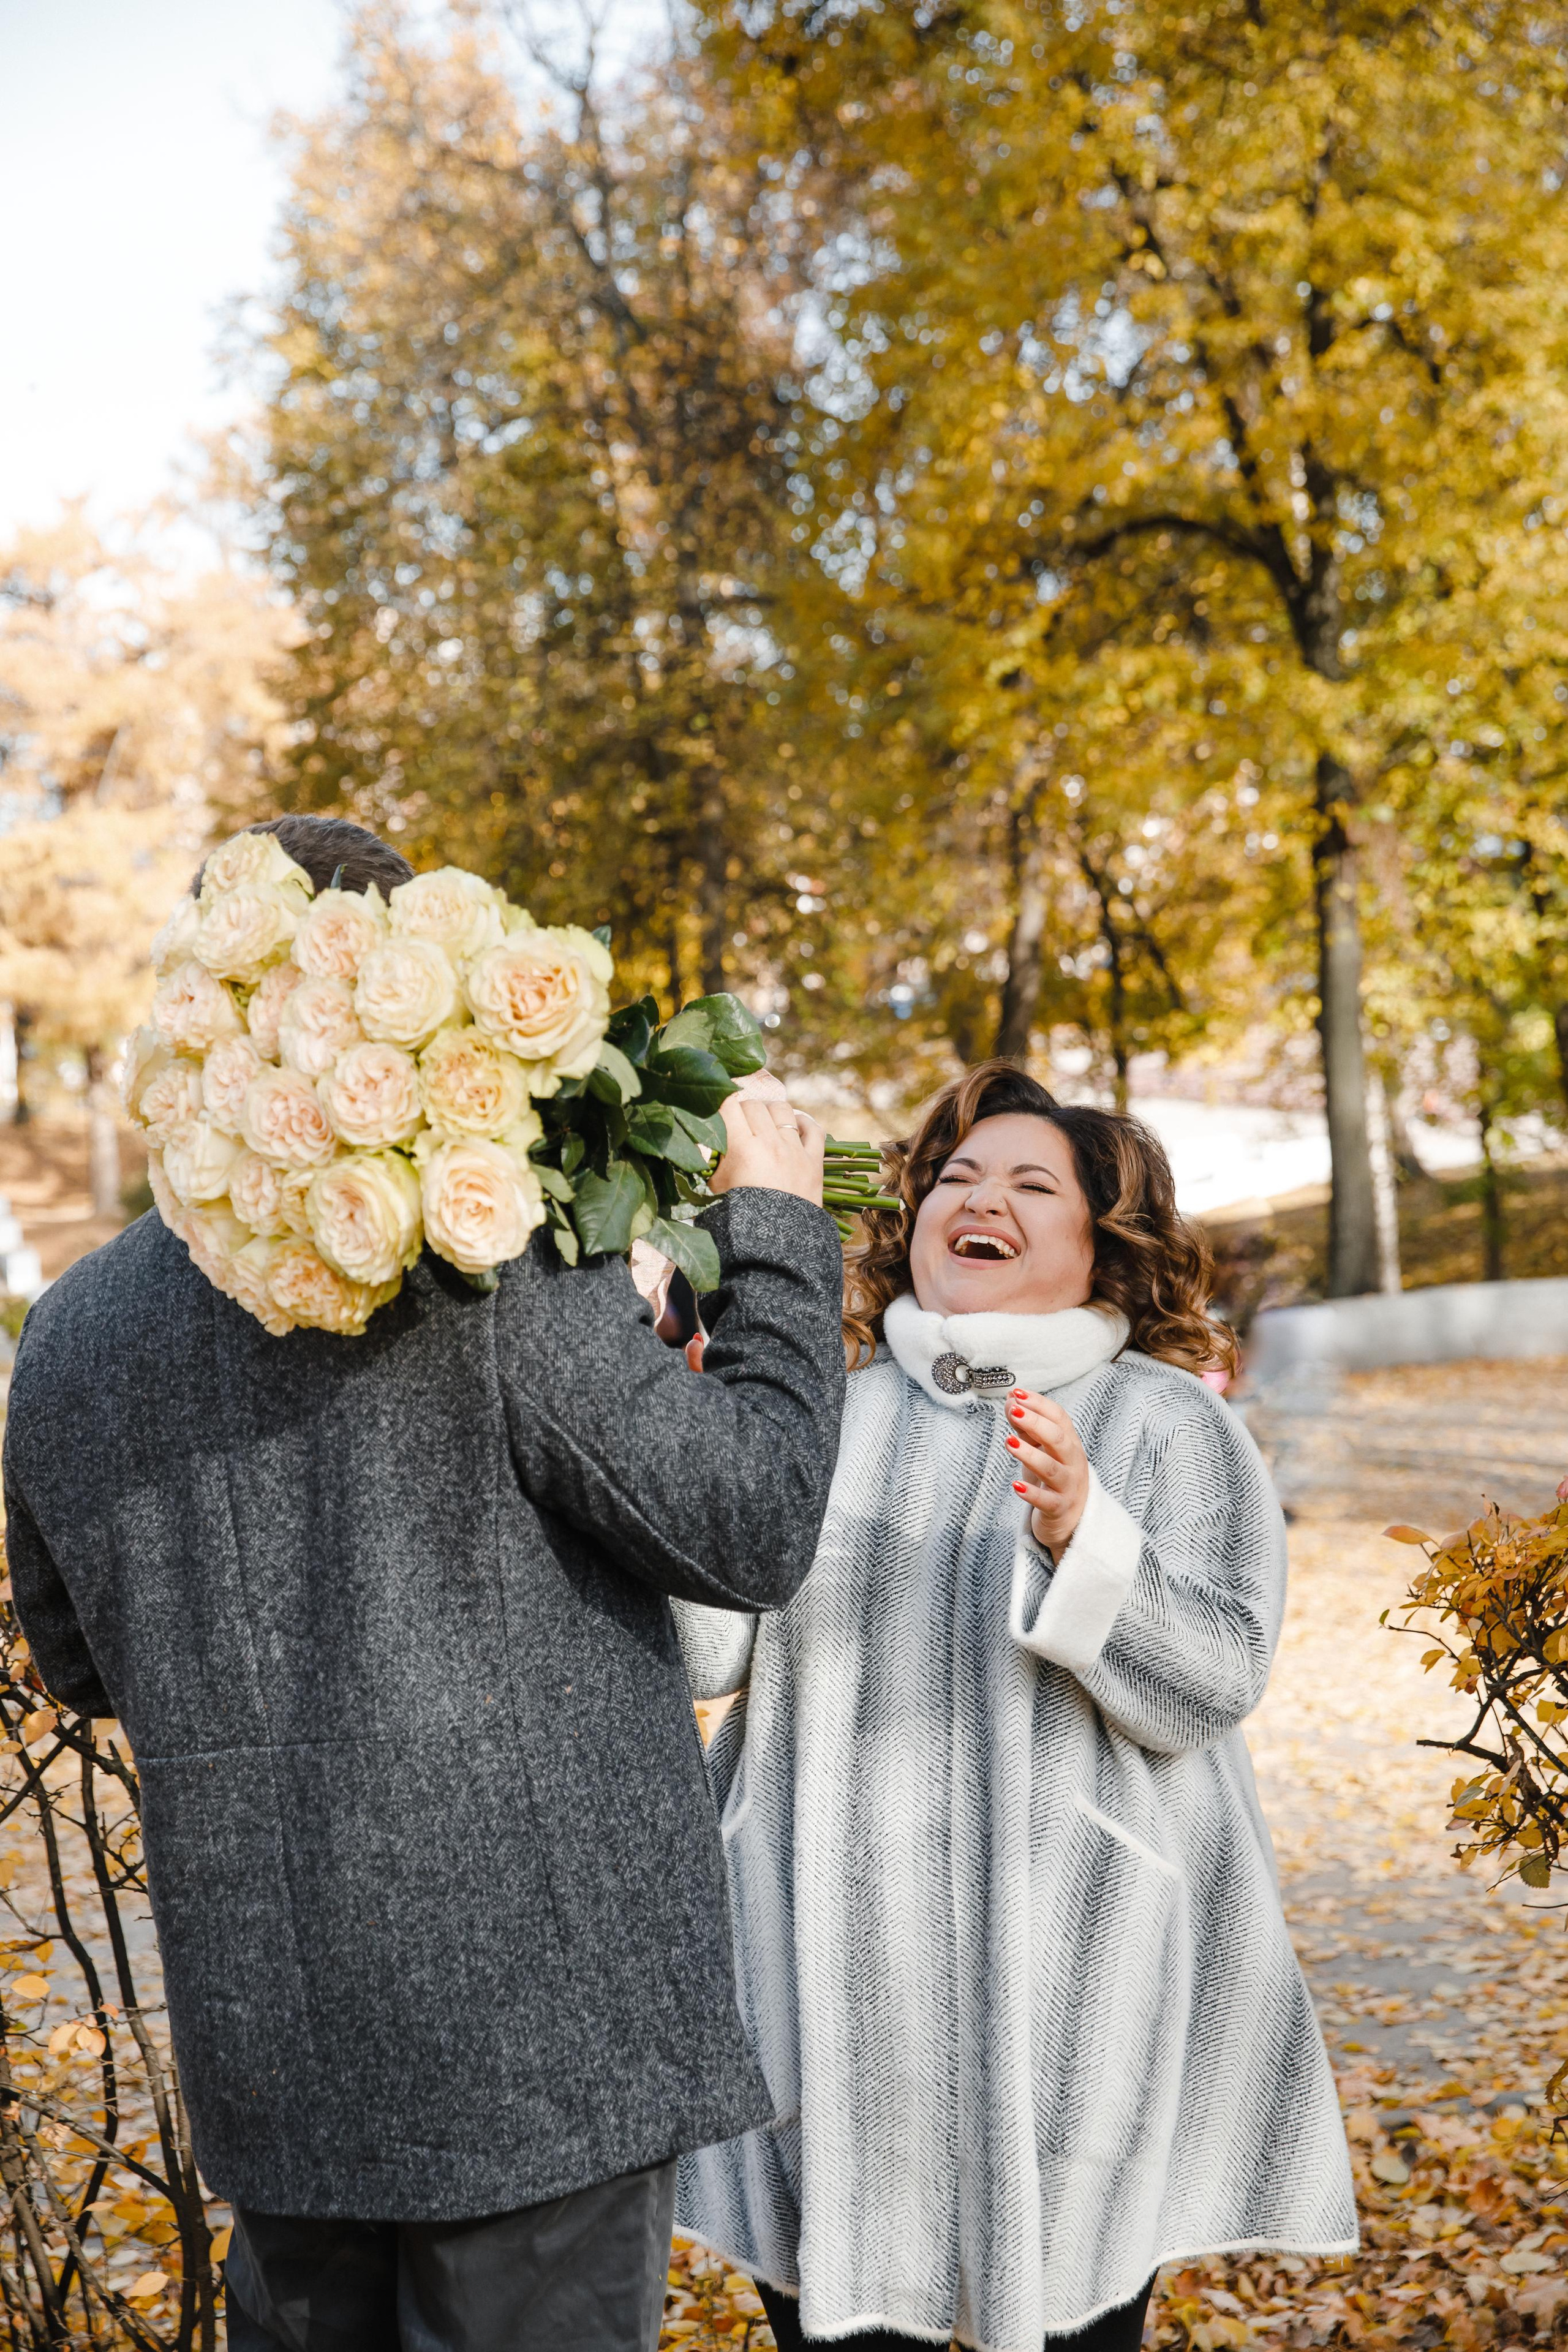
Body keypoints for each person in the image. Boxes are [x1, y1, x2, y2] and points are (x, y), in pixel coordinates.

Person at [2, 813, 850, 2352]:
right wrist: (776, 1229)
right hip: (534, 2044)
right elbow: (751, 1519)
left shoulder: (66, 1335)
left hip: (272, 2038)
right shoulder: (483, 1251)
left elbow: (79, 1660)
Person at [673, 1060, 1357, 2352]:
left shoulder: (1164, 1426)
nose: (977, 1198)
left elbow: (1214, 1676)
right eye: (956, 1177)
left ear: (1104, 1249)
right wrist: (684, 1438)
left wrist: (1080, 1532)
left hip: (1072, 2012)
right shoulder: (812, 1413)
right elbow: (706, 1656)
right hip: (820, 2011)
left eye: (1030, 1184)